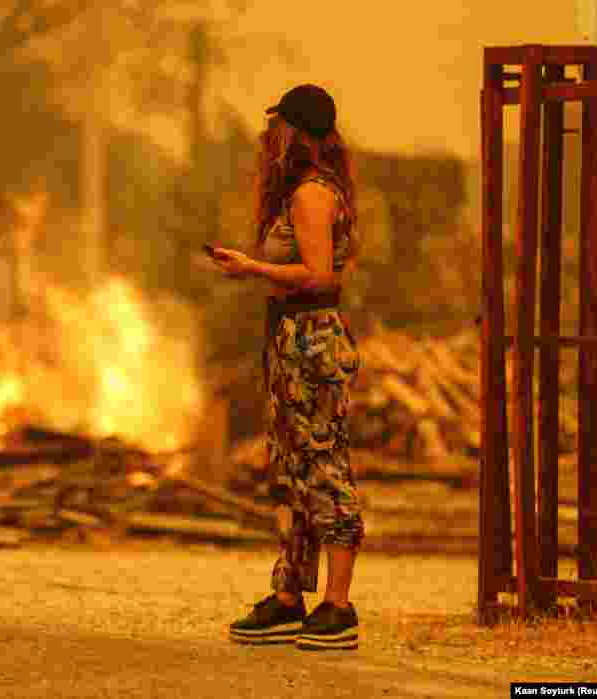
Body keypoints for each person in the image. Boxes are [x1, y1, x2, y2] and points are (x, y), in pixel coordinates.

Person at [210, 84, 365, 651]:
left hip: (312, 341)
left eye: (278, 126)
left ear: (297, 133)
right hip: (290, 338)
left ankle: (338, 606)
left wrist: (252, 267)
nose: (268, 136)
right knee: (293, 469)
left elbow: (322, 275)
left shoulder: (312, 196)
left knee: (322, 465)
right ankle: (288, 596)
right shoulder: (300, 191)